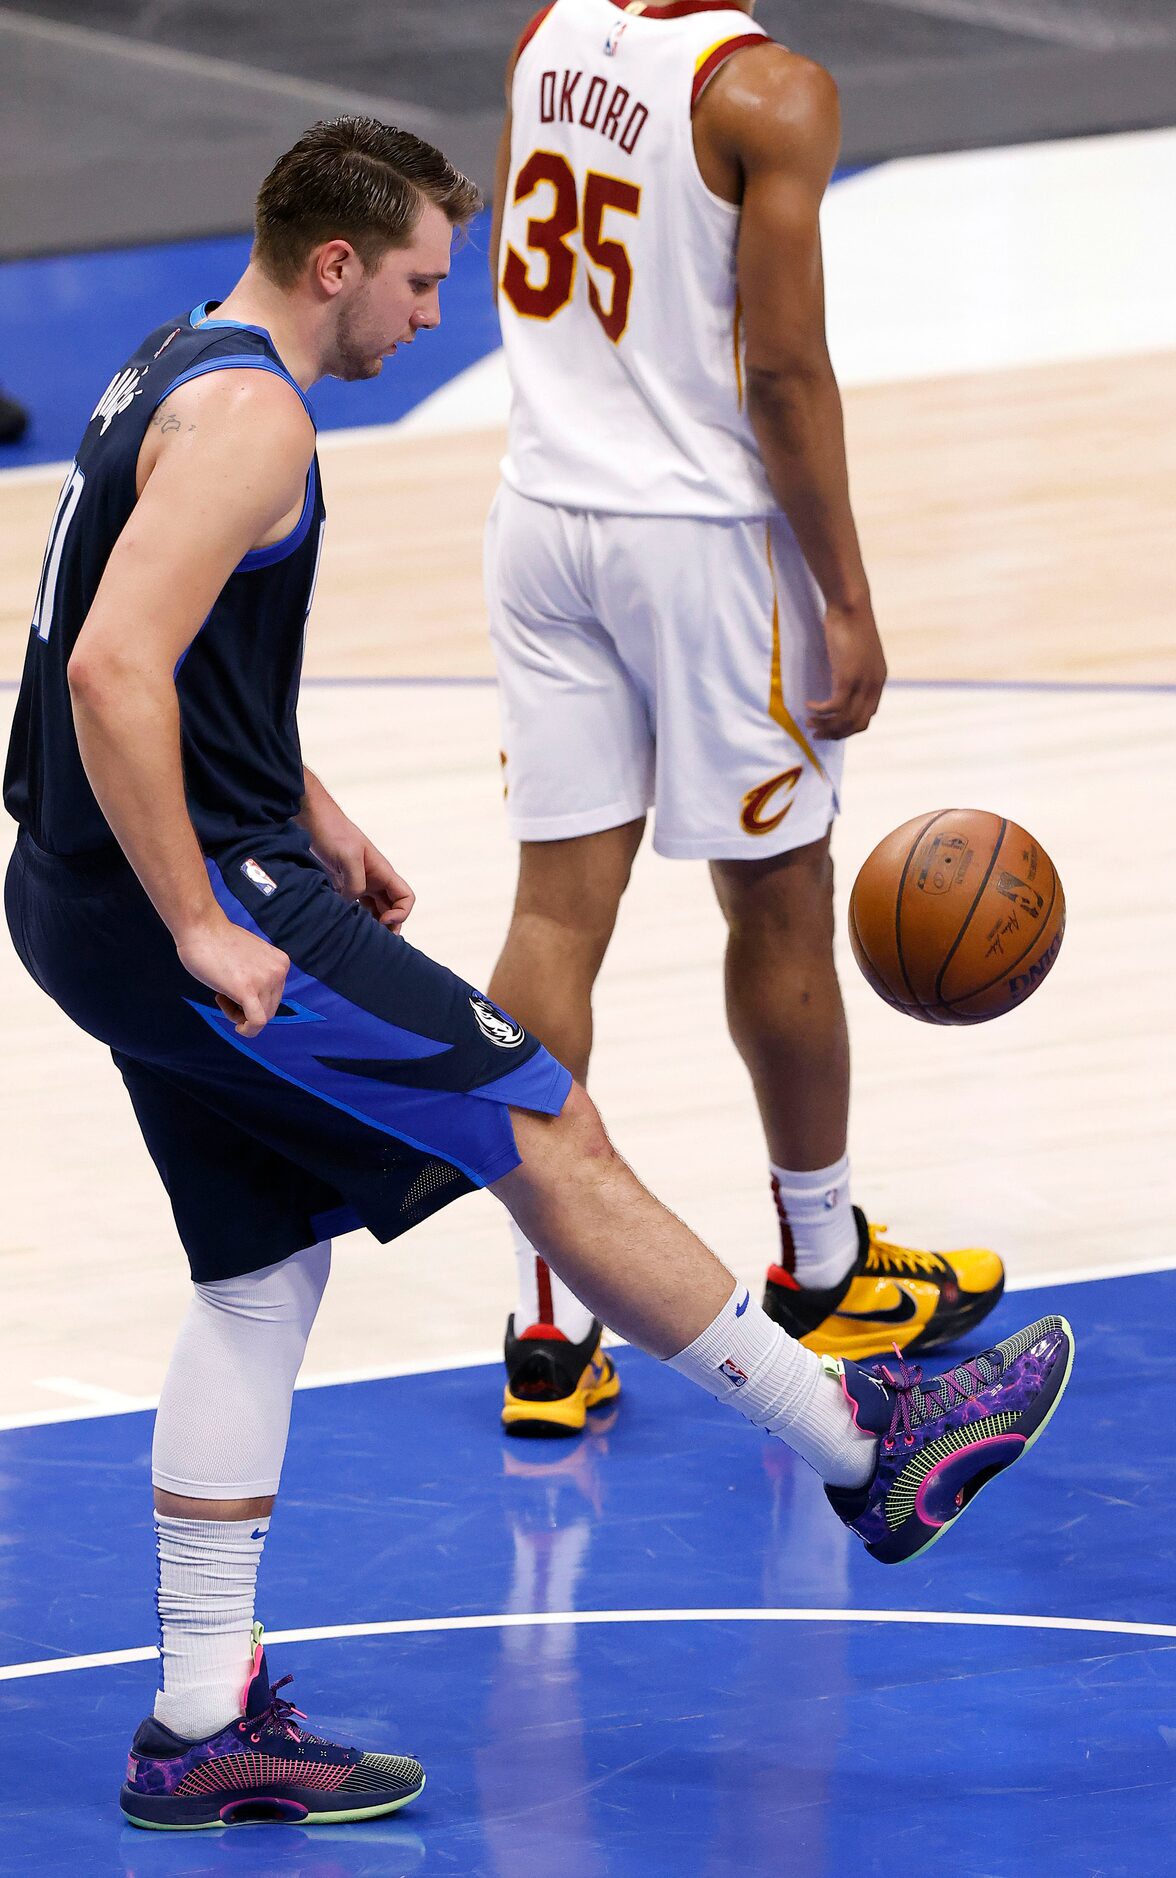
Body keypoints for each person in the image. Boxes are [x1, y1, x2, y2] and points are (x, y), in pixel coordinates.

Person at [3, 115, 1072, 1836]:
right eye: (425, 281)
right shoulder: (259, 415)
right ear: (336, 262)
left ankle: (200, 1719)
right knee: (544, 1121)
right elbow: (113, 667)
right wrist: (212, 918)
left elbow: (146, 649)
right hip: (180, 912)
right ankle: (874, 1446)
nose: (439, 316)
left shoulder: (173, 368)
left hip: (77, 892)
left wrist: (309, 804)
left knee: (260, 1272)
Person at [485, 0, 1006, 1438]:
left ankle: (547, 1323)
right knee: (778, 900)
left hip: (541, 507)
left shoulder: (546, 37)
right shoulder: (771, 93)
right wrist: (846, 590)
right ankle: (825, 1261)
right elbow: (781, 374)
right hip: (703, 544)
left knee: (552, 921)